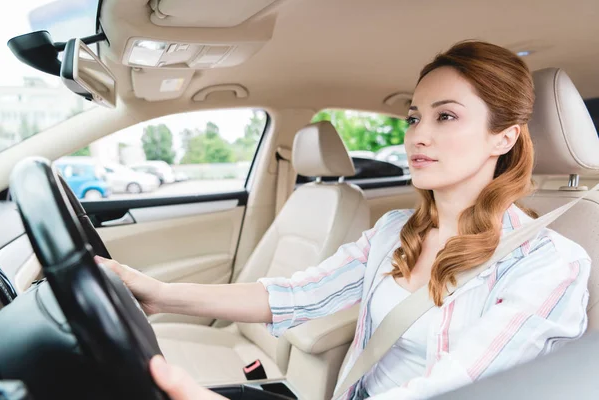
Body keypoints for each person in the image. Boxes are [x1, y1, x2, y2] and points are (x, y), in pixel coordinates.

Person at [98, 40, 591, 400]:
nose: (418, 135)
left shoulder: (551, 264)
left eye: (445, 117)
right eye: (414, 117)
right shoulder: (394, 232)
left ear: (503, 138)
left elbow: (460, 385)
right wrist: (159, 293)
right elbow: (295, 295)